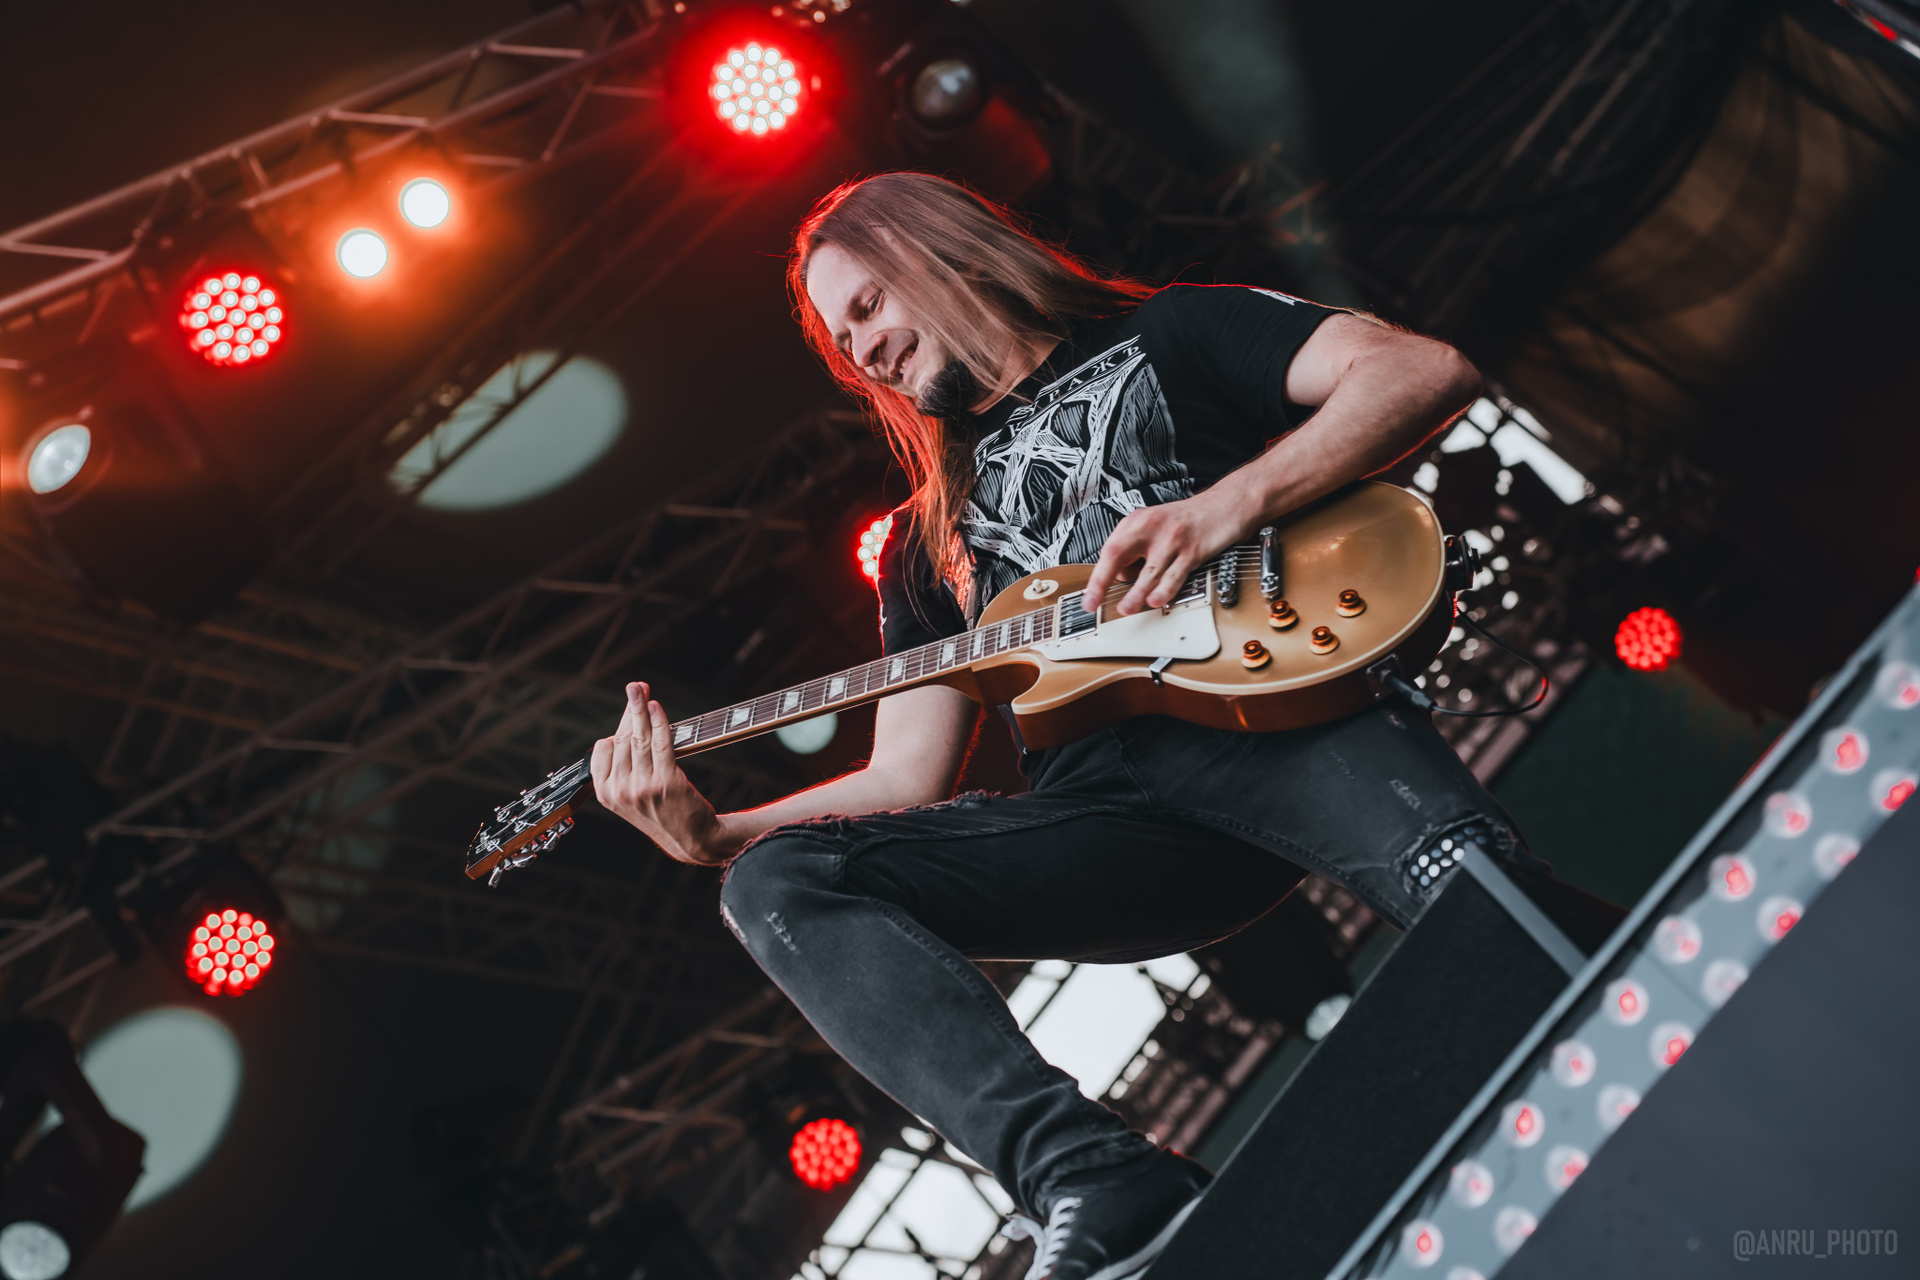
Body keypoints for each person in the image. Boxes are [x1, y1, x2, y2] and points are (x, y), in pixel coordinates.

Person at [590, 172, 1619, 1280]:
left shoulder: (1171, 334)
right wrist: (721, 831)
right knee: (775, 884)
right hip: (1114, 822)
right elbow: (904, 777)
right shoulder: (924, 546)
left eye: (869, 306)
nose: (864, 352)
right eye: (843, 343)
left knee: (1504, 918)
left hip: (1277, 719)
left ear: (943, 249)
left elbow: (1422, 370)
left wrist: (1224, 506)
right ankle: (1089, 1174)